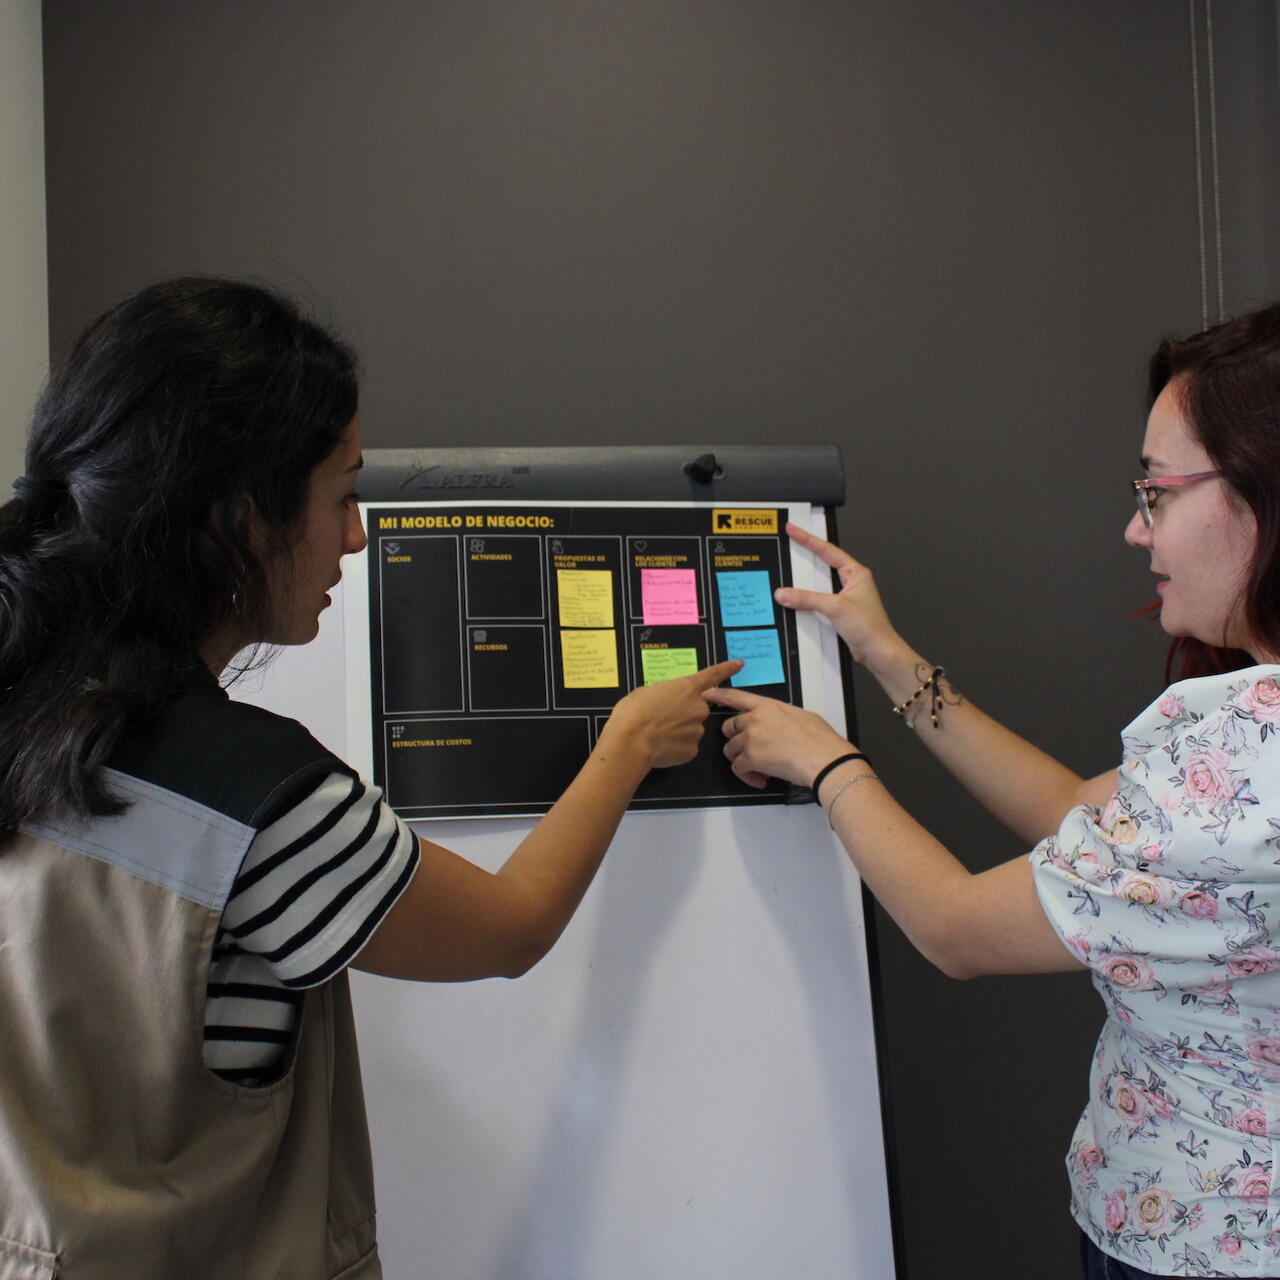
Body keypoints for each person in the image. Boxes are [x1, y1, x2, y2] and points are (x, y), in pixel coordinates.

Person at [0, 276, 739, 1280]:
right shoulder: (259, 798)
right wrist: (624, 744)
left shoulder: (30, 707)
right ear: (240, 519)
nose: (357, 534)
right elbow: (509, 925)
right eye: (343, 493)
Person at [707, 302, 1280, 1280]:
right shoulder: (1240, 733)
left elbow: (955, 927)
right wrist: (887, 658)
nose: (1133, 530)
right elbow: (1070, 803)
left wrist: (824, 759)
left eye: (1156, 494)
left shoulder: (1241, 769)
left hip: (1201, 1249)